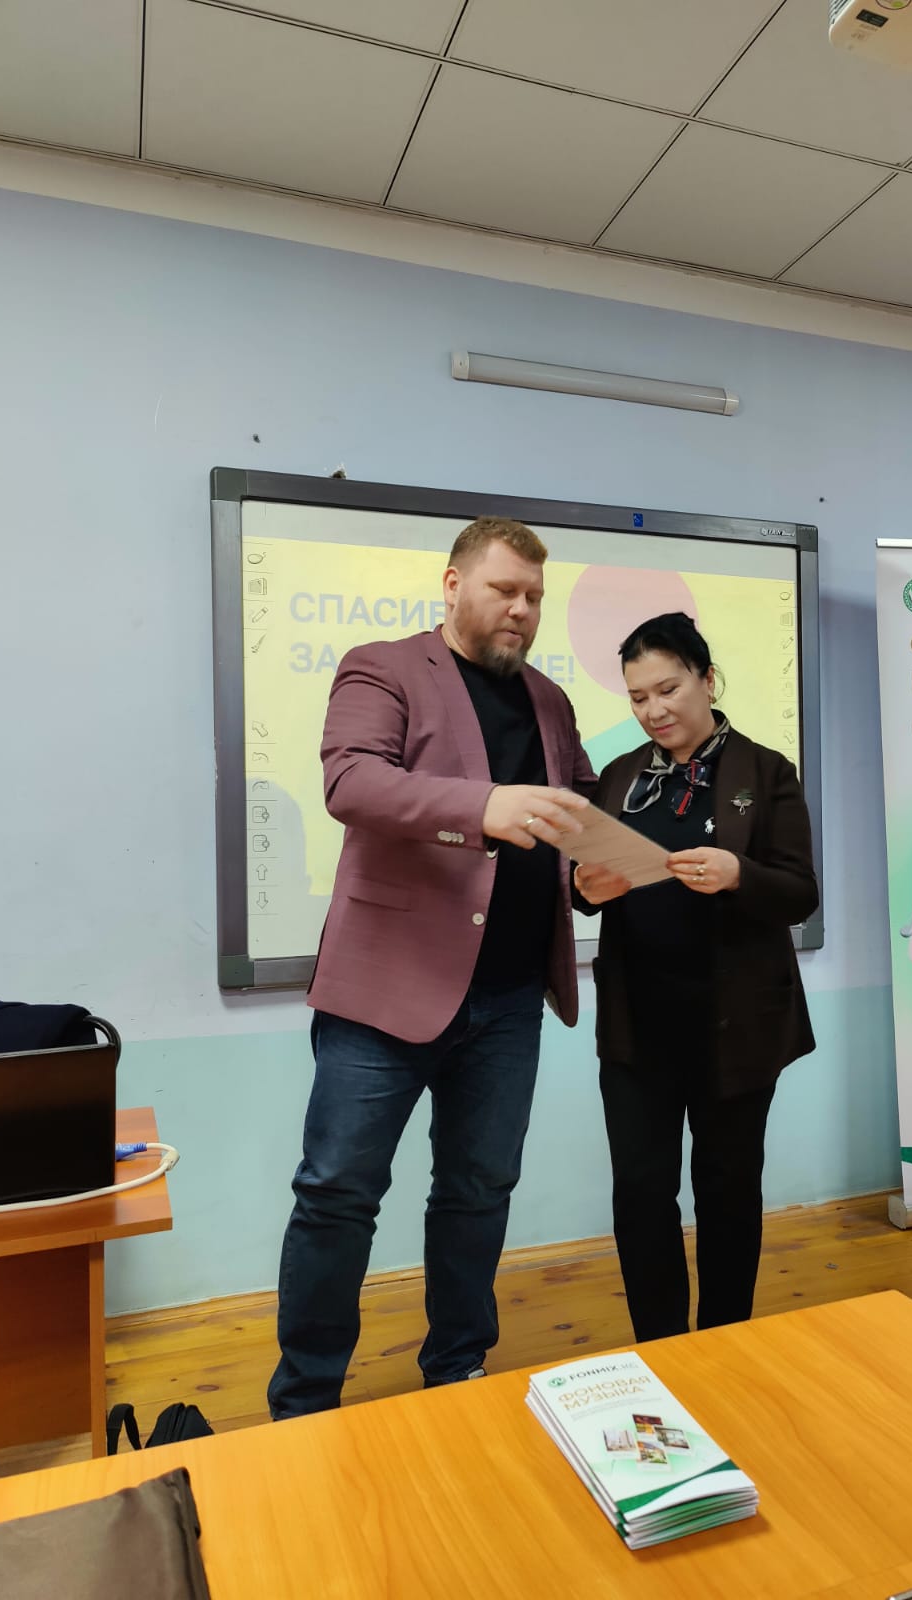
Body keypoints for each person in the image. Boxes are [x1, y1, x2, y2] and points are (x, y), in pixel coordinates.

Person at [268, 517, 595, 1416]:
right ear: (452, 585)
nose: (521, 609)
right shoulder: (381, 667)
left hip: (510, 997)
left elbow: (579, 813)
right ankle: (305, 1401)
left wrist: (597, 874)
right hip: (384, 992)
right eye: (504, 590)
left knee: (479, 1191)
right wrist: (483, 806)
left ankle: (456, 1371)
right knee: (337, 1195)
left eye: (534, 597)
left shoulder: (550, 701)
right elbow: (352, 782)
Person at [573, 612, 817, 1343]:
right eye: (637, 697)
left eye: (668, 689)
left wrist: (740, 874)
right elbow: (582, 884)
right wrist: (585, 889)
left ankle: (724, 1343)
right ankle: (660, 1347)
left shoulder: (765, 772)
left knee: (727, 1192)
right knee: (640, 1193)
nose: (654, 709)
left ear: (707, 680)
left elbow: (800, 893)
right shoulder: (619, 777)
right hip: (637, 1027)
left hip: (733, 1026)